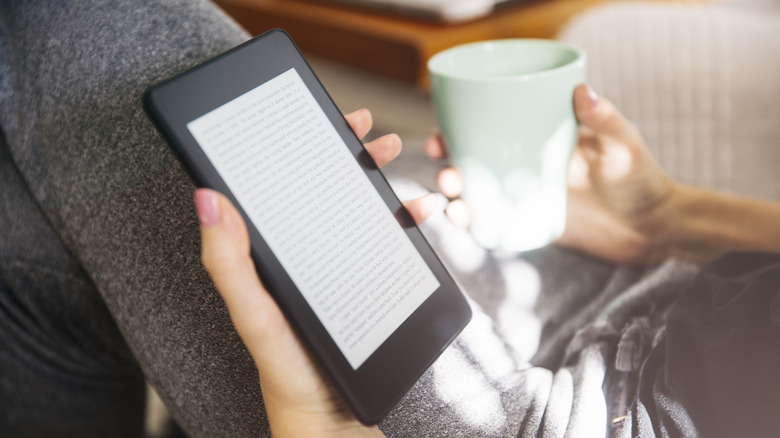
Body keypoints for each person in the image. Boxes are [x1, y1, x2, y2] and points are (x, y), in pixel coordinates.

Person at [198, 84, 780, 437]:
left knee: (222, 175)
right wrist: (667, 219)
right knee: (408, 187)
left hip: (581, 418)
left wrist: (323, 425)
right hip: (671, 298)